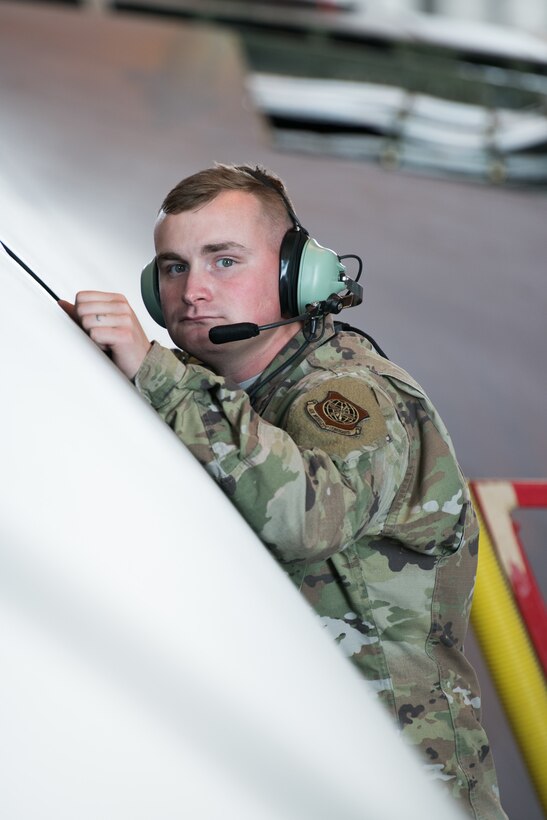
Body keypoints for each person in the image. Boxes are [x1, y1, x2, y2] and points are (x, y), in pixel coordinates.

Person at [63, 163, 506, 818]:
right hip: (310, 753)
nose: (193, 291)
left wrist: (156, 372)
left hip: (400, 772)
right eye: (174, 267)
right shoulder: (237, 389)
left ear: (293, 275)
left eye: (224, 261)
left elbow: (308, 517)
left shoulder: (345, 392)